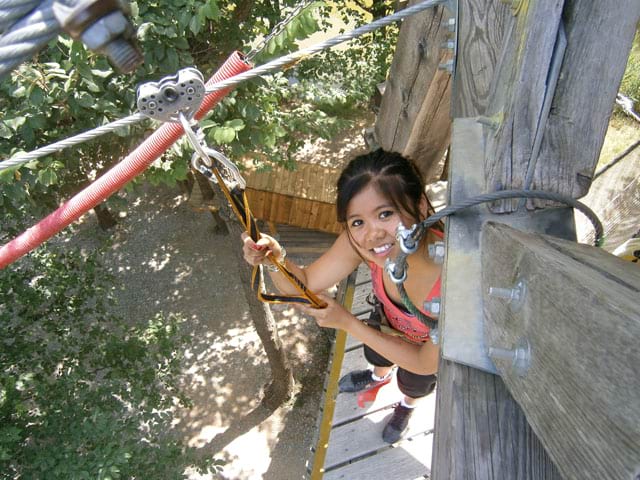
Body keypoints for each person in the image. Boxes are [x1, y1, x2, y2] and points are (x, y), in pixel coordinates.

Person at [241, 149, 442, 443]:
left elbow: (426, 363)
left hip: (424, 351)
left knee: (414, 383)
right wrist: (275, 259)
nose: (372, 234)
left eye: (385, 214)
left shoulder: (452, 278)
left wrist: (348, 323)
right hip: (387, 325)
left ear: (421, 205)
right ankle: (378, 377)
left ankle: (406, 407)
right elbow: (306, 283)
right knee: (377, 355)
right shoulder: (360, 246)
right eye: (357, 222)